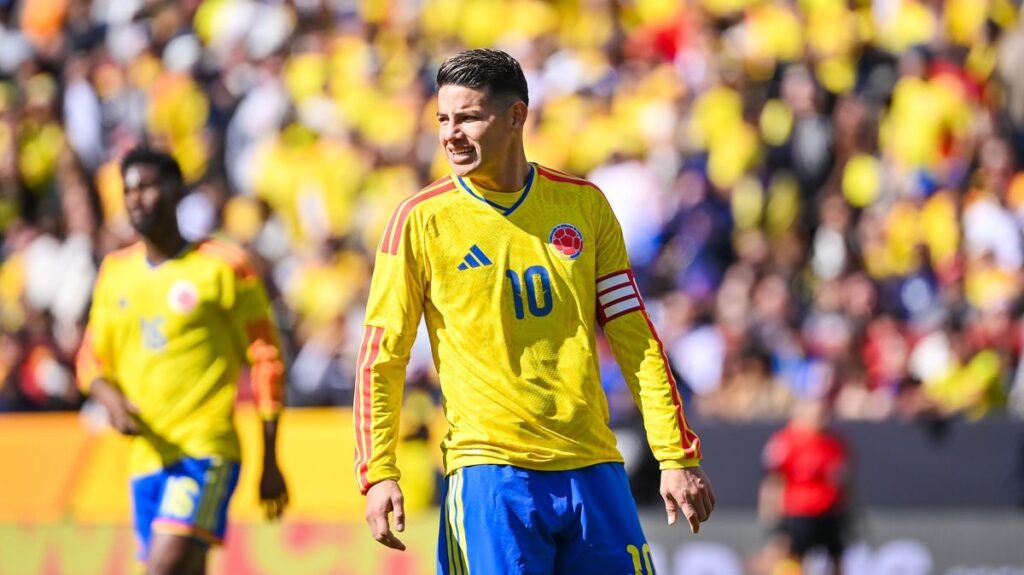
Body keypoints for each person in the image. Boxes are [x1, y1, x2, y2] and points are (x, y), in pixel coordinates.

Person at [355, 49, 715, 574]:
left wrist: (675, 454)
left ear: (516, 116)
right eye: (442, 119)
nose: (450, 133)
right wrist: (378, 471)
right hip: (491, 476)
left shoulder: (583, 206)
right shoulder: (419, 221)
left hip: (592, 466)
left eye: (468, 117)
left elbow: (635, 335)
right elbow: (380, 358)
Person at [76, 148, 289, 575]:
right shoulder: (115, 272)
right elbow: (90, 361)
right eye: (129, 190)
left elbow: (267, 358)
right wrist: (111, 401)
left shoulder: (222, 266)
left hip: (203, 450)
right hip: (146, 457)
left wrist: (270, 456)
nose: (135, 199)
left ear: (175, 192)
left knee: (162, 569)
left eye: (147, 187)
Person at [759, 399, 852, 574]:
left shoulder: (834, 443)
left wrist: (845, 508)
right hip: (799, 511)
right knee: (793, 558)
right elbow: (774, 478)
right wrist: (770, 509)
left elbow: (843, 479)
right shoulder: (785, 441)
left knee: (837, 557)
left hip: (829, 510)